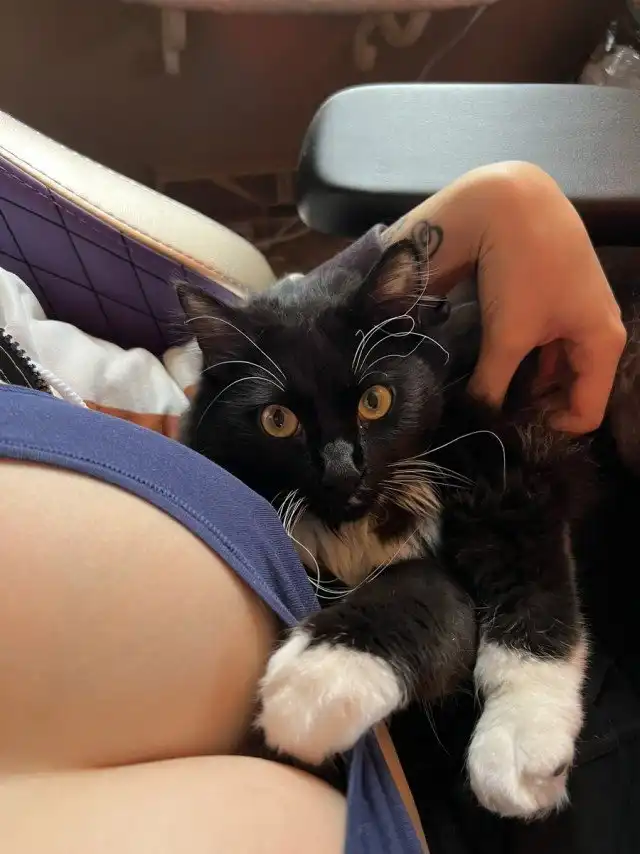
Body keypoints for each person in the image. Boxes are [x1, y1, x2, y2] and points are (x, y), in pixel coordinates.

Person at [0, 161, 626, 854]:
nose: (341, 469)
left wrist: (481, 208)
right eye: (281, 423)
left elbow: (317, 331)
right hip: (445, 748)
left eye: (374, 405)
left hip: (519, 596)